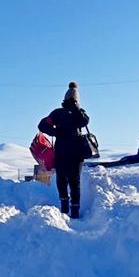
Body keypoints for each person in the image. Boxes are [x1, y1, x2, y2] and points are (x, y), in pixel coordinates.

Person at [38, 82, 90, 219]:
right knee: (73, 182)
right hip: (73, 153)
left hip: (65, 152)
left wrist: (55, 132)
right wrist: (54, 132)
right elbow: (42, 125)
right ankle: (72, 211)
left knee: (64, 180)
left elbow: (84, 121)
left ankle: (67, 208)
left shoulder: (62, 113)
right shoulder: (61, 113)